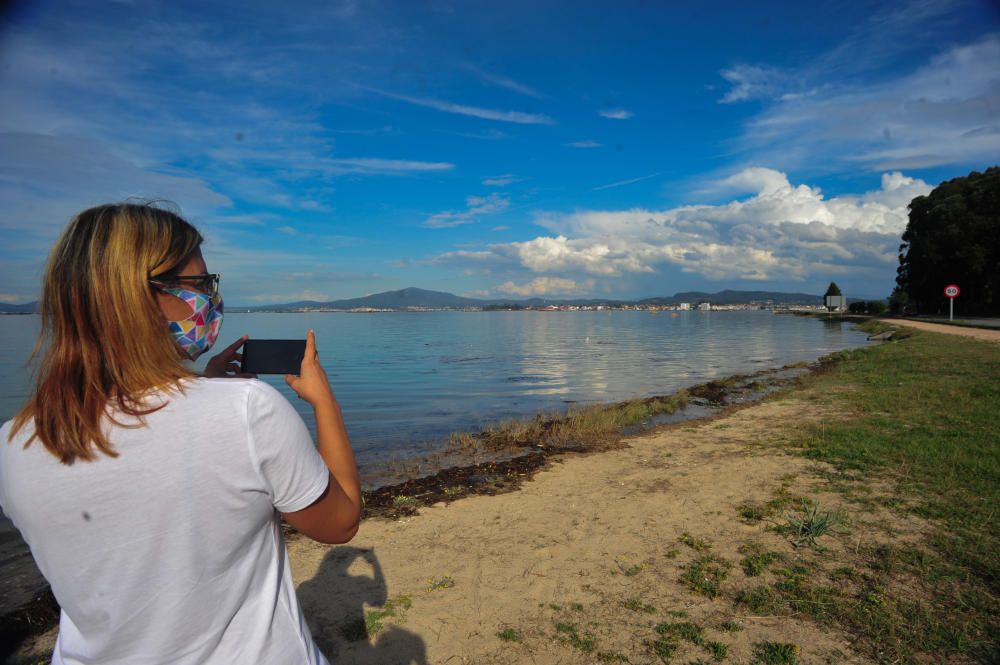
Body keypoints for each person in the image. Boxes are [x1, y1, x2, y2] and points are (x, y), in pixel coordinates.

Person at [0, 203, 361, 665]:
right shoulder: (247, 410)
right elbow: (340, 521)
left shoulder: (17, 441)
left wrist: (204, 389)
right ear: (140, 294)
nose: (212, 297)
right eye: (202, 284)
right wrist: (323, 401)